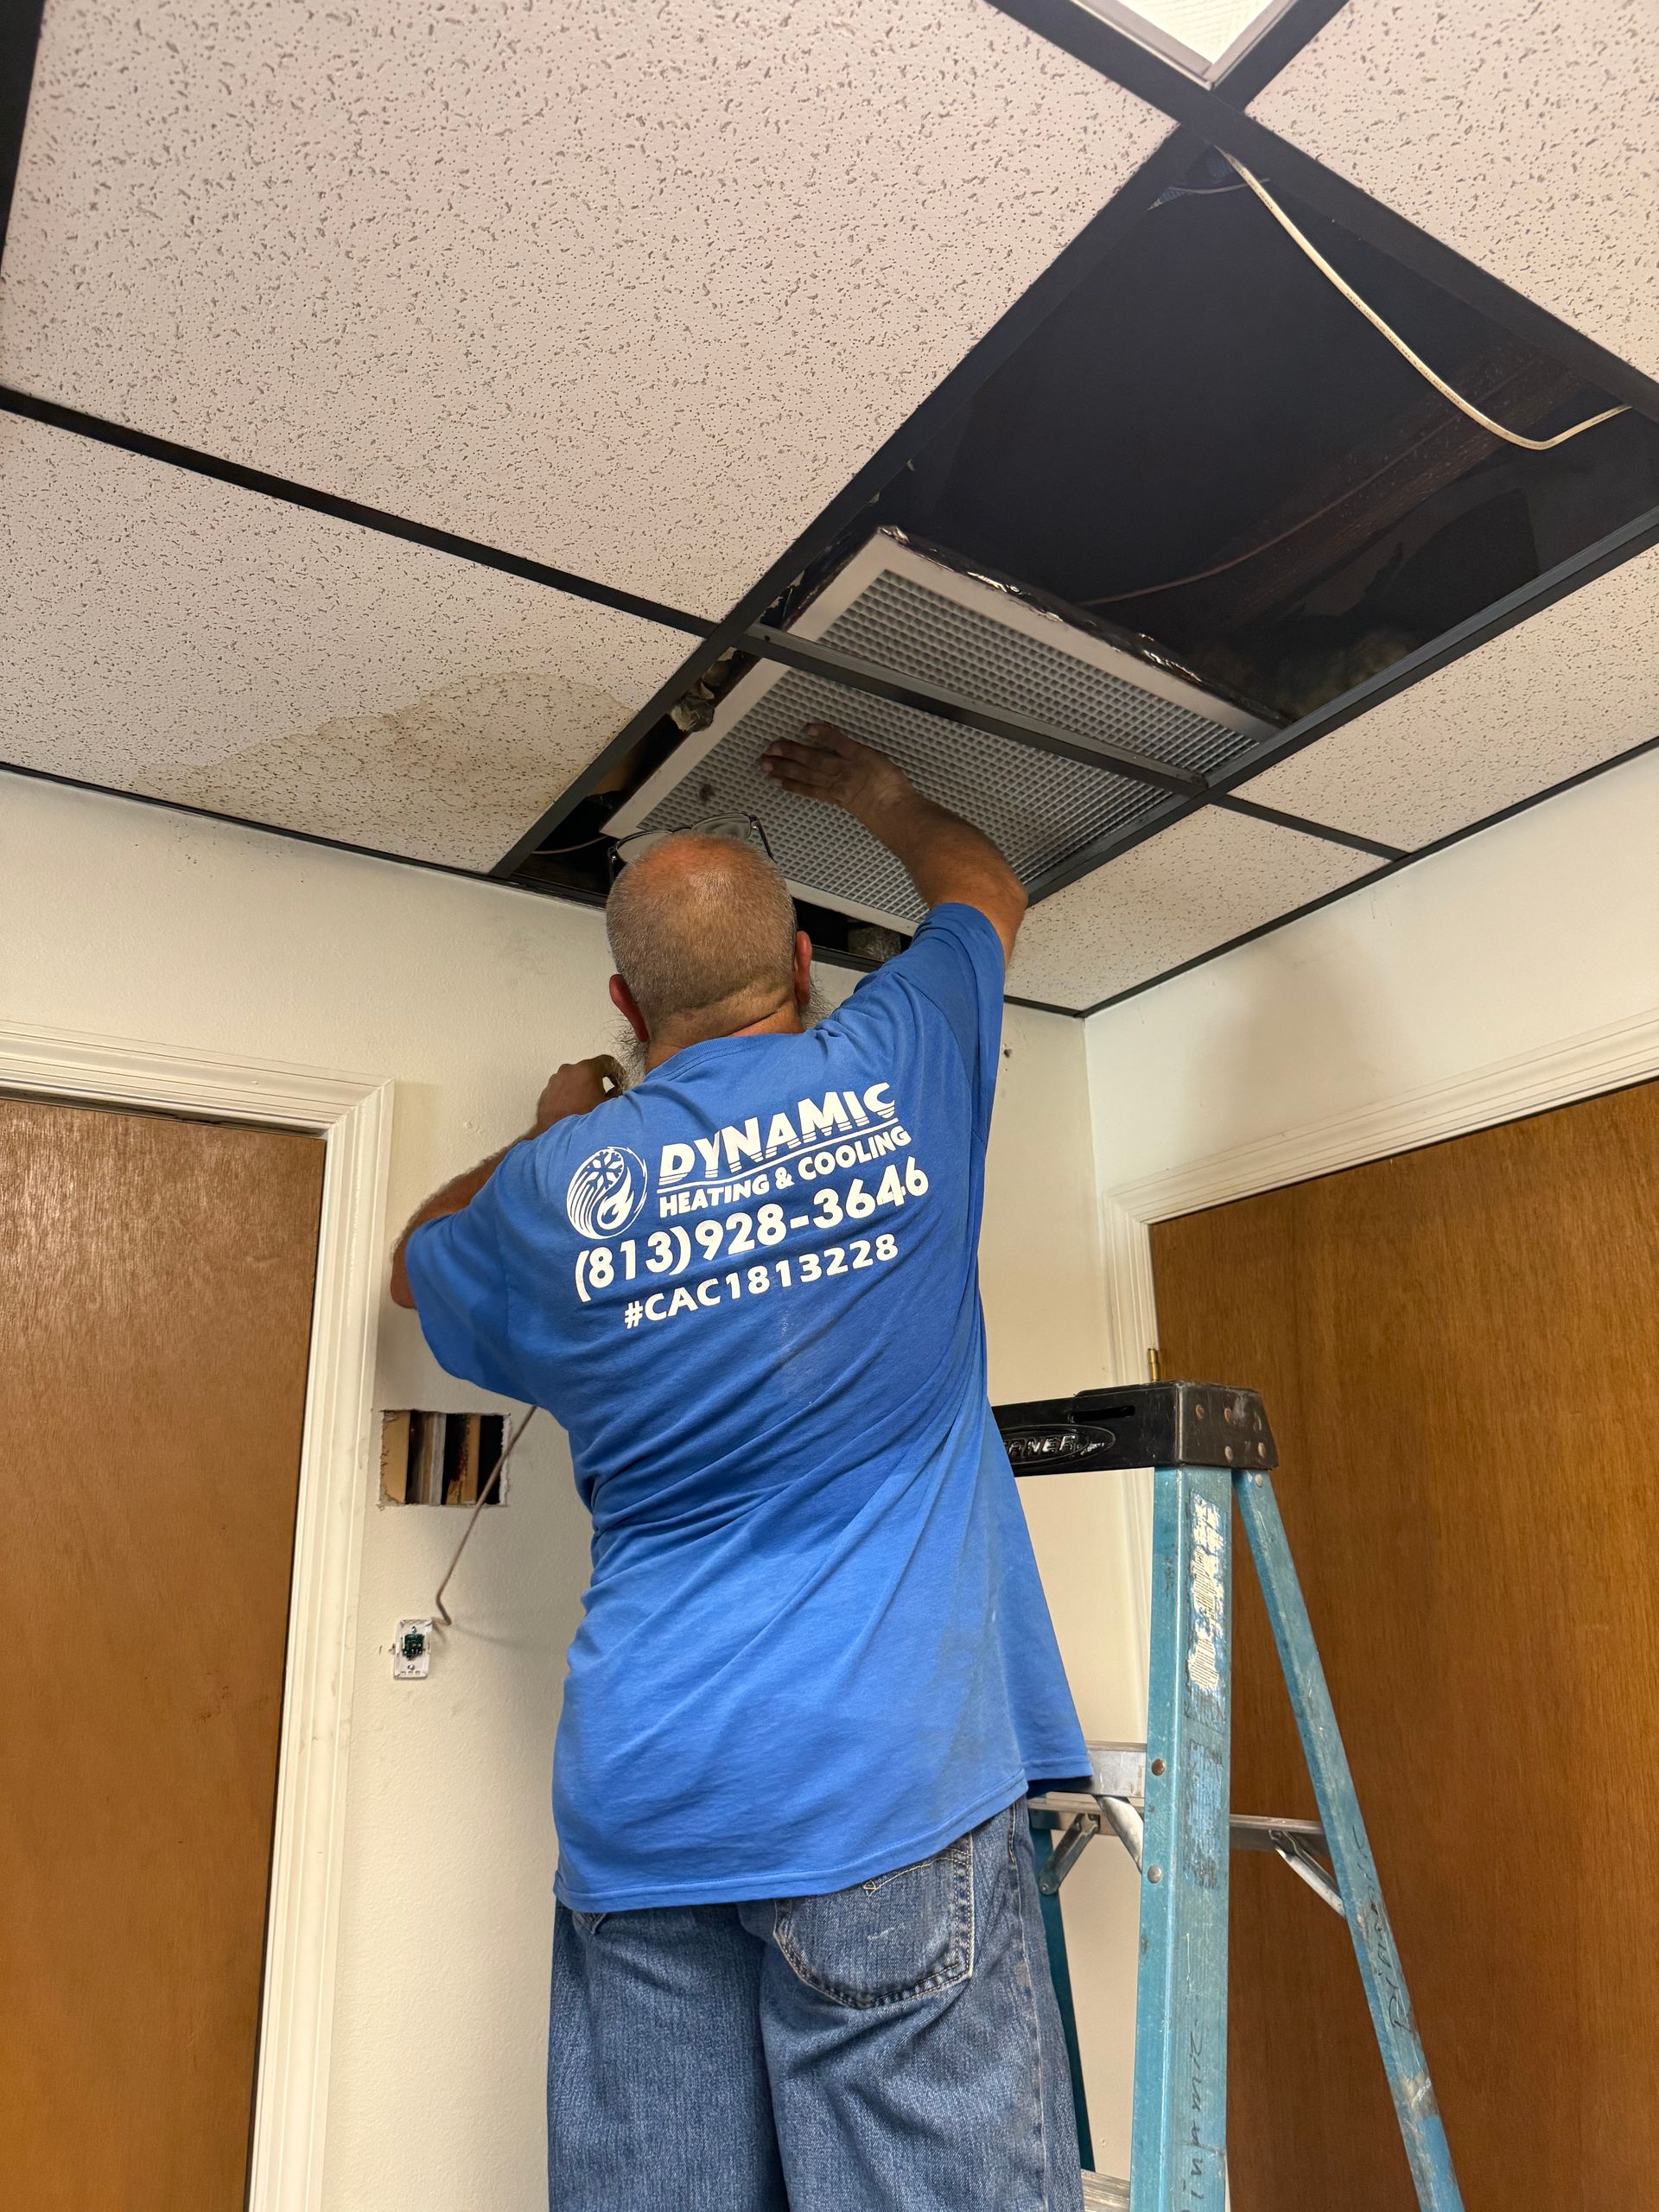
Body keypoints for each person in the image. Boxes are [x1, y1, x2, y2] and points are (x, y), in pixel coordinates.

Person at [391, 722, 1089, 2211]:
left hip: (647, 1805)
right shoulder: (903, 1062)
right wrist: (876, 794)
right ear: (809, 971)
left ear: (625, 1002)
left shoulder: (559, 1197)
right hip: (879, 1792)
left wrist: (549, 1137)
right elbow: (986, 888)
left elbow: (410, 1272)